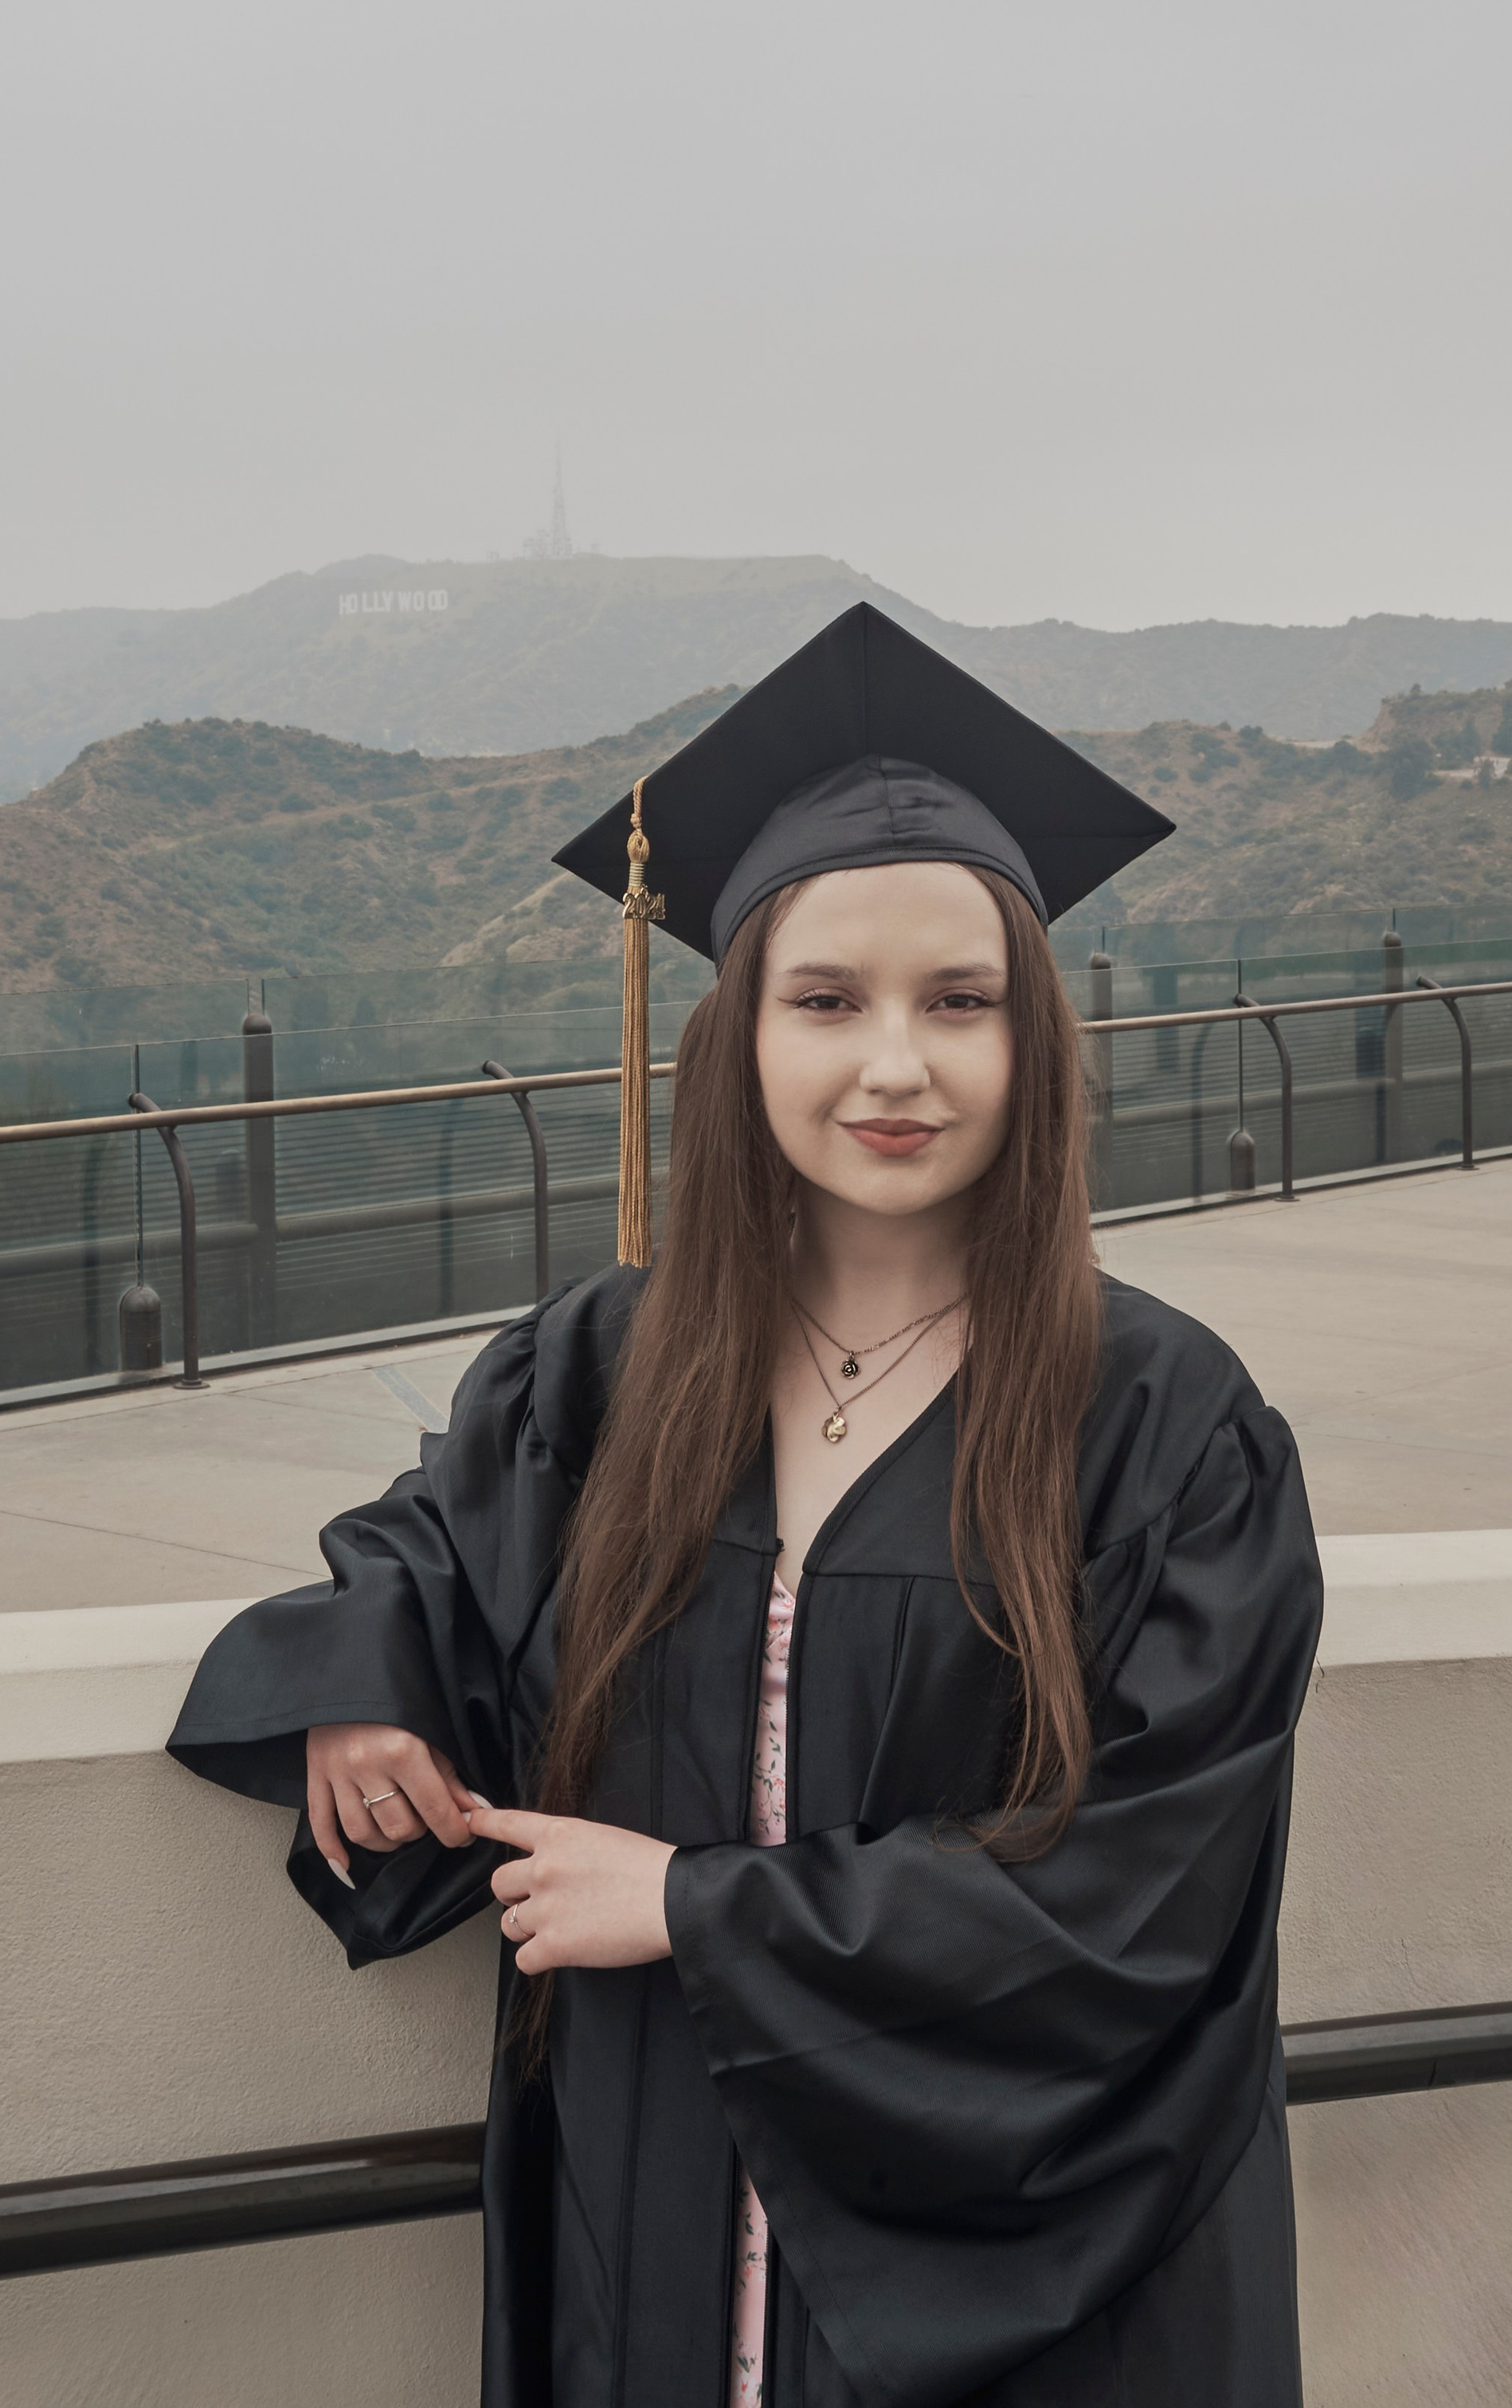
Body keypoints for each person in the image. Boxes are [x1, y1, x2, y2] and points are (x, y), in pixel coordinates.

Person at [170, 602, 1323, 2408]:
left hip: (1026, 2269)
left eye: (959, 1001)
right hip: (652, 2183)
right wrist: (367, 1677)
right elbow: (429, 1552)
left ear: (1034, 1041)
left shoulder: (1165, 1426)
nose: (893, 1066)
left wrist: (701, 1911)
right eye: (823, 1000)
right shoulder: (606, 1367)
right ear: (737, 1035)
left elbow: (1153, 1887)